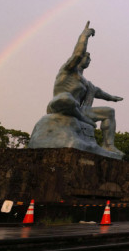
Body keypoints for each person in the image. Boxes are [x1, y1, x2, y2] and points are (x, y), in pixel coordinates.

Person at [47, 21, 123, 154]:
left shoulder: (85, 82)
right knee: (67, 98)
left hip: (79, 110)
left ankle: (108, 145)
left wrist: (112, 98)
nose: (88, 60)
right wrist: (84, 36)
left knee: (109, 112)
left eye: (90, 59)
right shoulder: (68, 69)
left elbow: (98, 92)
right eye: (86, 58)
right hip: (61, 104)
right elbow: (77, 54)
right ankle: (82, 118)